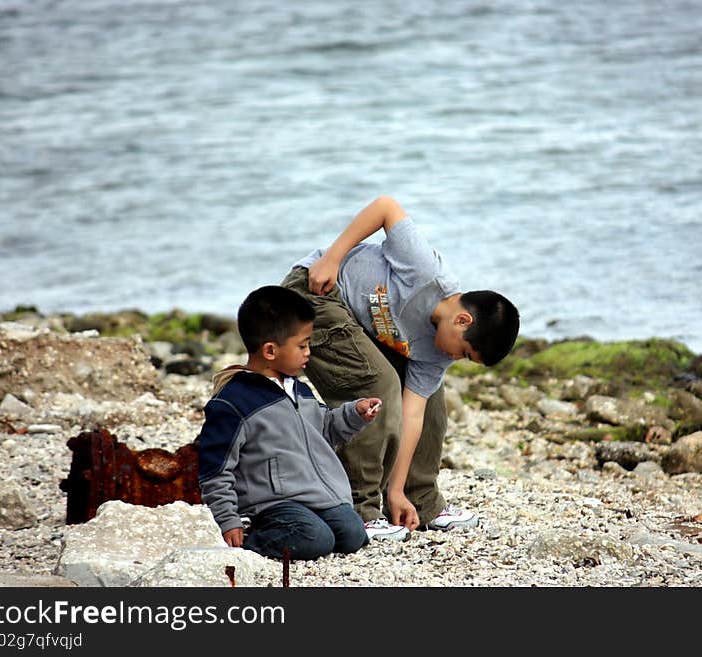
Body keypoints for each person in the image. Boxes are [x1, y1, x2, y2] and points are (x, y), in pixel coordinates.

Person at [282, 195, 520, 542]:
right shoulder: (426, 273)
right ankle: (360, 509)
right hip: (315, 293)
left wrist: (396, 489)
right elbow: (385, 207)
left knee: (431, 401)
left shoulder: (436, 354)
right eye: (465, 352)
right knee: (377, 383)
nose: (456, 359)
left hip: (355, 324)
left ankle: (418, 501)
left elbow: (412, 416)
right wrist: (332, 258)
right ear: (462, 319)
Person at [197, 285, 382, 561]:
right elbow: (215, 469)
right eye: (302, 345)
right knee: (315, 538)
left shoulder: (299, 390)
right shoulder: (234, 402)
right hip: (270, 504)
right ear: (270, 351)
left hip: (314, 494)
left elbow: (325, 431)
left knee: (353, 534)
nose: (309, 351)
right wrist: (228, 520)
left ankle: (308, 531)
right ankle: (251, 542)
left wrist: (354, 413)